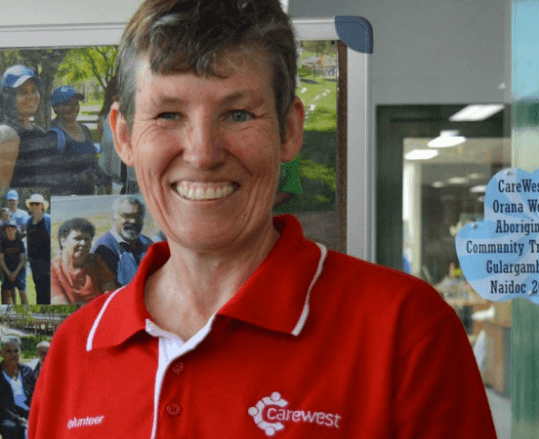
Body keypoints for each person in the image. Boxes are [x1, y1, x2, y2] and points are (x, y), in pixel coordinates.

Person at [29, 1, 497, 437]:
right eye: (169, 114)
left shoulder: (407, 333)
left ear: (289, 130)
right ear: (124, 137)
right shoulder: (73, 351)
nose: (203, 153)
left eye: (237, 114)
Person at [49, 86, 111, 195]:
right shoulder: (52, 134)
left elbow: (92, 162)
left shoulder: (85, 130)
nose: (73, 108)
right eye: (67, 104)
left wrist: (105, 180)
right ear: (55, 108)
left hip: (87, 198)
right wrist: (79, 178)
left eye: (76, 104)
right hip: (62, 200)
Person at [50, 217, 116, 305]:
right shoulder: (53, 269)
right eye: (77, 239)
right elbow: (61, 304)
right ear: (63, 241)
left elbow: (111, 296)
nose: (83, 243)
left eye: (87, 240)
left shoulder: (97, 261)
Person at [92, 196, 153, 286]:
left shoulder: (147, 242)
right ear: (113, 217)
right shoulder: (104, 249)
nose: (133, 221)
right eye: (126, 216)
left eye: (138, 216)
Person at [0, 336, 35, 439]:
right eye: (9, 351)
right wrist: (16, 419)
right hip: (8, 415)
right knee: (10, 427)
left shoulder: (27, 371)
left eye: (16, 351)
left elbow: (37, 396)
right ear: (2, 353)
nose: (13, 355)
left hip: (28, 412)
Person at [25, 193, 51, 304]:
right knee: (38, 289)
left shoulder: (48, 219)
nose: (34, 205)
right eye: (32, 204)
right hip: (35, 263)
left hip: (47, 263)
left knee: (48, 290)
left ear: (42, 206)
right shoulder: (28, 222)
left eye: (37, 203)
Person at [0, 221, 27, 305]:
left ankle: (27, 309)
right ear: (5, 231)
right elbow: (1, 260)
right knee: (6, 293)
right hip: (7, 271)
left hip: (19, 271)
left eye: (12, 229)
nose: (10, 232)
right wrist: (9, 274)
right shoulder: (3, 244)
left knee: (22, 293)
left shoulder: (20, 243)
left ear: (15, 230)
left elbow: (22, 260)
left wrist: (14, 274)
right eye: (7, 230)